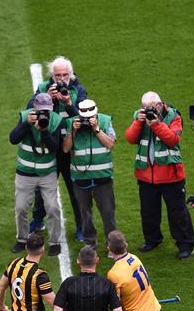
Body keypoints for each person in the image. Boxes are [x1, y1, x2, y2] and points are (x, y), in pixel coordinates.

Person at [125, 91, 194, 259]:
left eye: (149, 107)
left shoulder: (173, 116)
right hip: (146, 175)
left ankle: (185, 245)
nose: (146, 110)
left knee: (177, 212)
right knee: (148, 211)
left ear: (158, 105)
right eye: (143, 107)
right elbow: (130, 138)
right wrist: (138, 122)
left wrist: (156, 124)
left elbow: (173, 140)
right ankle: (152, 239)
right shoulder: (139, 116)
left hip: (170, 175)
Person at [27, 56, 87, 241]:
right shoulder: (44, 88)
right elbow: (29, 109)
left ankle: (81, 227)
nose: (61, 79)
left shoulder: (78, 89)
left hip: (70, 148)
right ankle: (38, 220)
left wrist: (68, 104)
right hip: (50, 146)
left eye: (64, 75)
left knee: (75, 190)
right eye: (57, 75)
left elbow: (83, 118)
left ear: (70, 74)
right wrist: (47, 100)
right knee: (41, 189)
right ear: (52, 75)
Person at [9, 92, 62, 257]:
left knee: (53, 207)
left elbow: (55, 147)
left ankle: (55, 242)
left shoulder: (57, 120)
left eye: (46, 111)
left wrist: (44, 131)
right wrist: (26, 124)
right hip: (25, 173)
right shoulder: (25, 117)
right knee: (21, 207)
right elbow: (13, 138)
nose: (43, 114)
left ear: (52, 108)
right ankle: (22, 239)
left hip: (47, 173)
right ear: (34, 107)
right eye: (41, 111)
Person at [63, 99, 117, 248]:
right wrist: (73, 131)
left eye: (90, 117)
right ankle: (90, 242)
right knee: (84, 214)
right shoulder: (70, 123)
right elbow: (66, 149)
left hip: (103, 178)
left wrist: (97, 129)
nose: (87, 120)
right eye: (84, 118)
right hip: (80, 179)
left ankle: (112, 244)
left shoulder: (105, 121)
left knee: (108, 213)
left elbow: (110, 144)